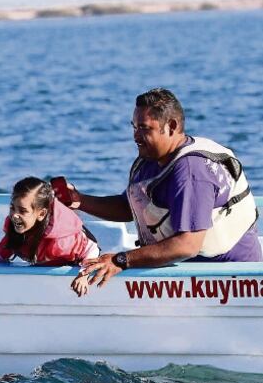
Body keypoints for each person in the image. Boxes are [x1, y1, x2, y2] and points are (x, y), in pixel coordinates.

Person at [54, 88, 260, 289]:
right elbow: (130, 208)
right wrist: (79, 200)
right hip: (184, 272)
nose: (136, 136)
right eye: (134, 127)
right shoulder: (152, 159)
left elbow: (187, 245)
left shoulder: (191, 172)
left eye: (144, 128)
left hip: (227, 279)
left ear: (171, 126)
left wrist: (120, 260)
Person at [0, 177, 99, 296]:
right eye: (12, 208)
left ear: (41, 214)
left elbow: (91, 248)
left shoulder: (62, 242)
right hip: (43, 249)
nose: (15, 215)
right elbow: (7, 245)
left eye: (22, 211)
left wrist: (83, 275)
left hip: (76, 247)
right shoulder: (16, 226)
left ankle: (66, 201)